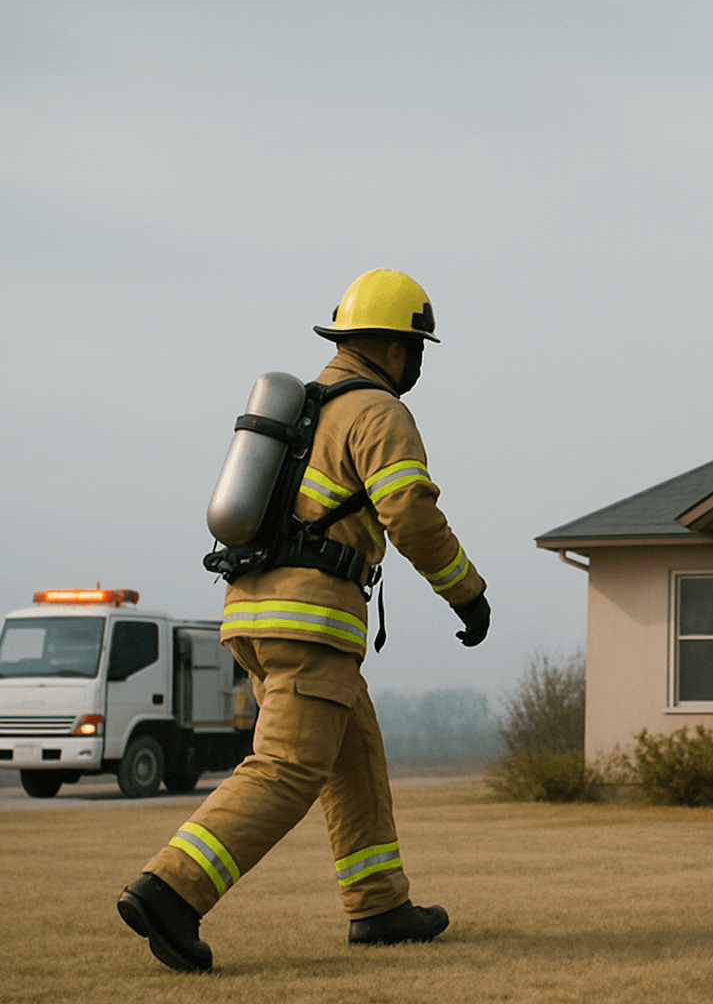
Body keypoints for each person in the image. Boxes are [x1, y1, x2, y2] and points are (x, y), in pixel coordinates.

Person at [117, 268, 492, 972]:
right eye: (416, 349)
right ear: (391, 348)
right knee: (287, 766)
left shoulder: (310, 410)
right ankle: (171, 891)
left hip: (257, 614)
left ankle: (380, 906)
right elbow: (409, 511)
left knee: (352, 756)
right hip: (312, 621)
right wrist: (465, 592)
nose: (416, 365)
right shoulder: (376, 412)